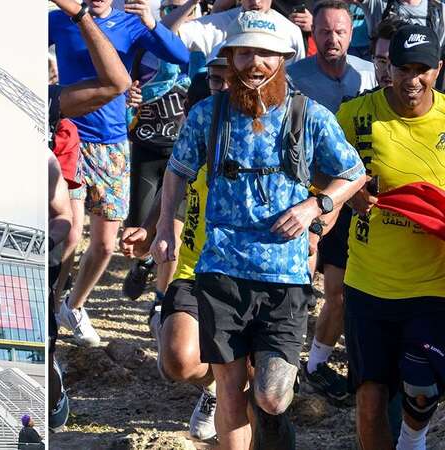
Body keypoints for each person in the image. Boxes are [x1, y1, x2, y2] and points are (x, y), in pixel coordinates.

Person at [151, 12, 366, 449]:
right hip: (221, 271)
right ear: (230, 59)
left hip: (283, 276)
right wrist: (164, 227)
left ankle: (271, 420)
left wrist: (315, 205)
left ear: (283, 58)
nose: (255, 63)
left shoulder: (311, 116)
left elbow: (353, 171)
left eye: (265, 53)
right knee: (230, 389)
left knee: (270, 394)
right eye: (244, 52)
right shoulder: (206, 115)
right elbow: (176, 170)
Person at [50, 0, 188, 347]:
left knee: (105, 244)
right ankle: (51, 312)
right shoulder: (59, 20)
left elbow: (182, 57)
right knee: (69, 231)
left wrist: (152, 23)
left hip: (112, 142)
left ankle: (73, 307)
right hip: (71, 135)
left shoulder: (131, 24)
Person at [336, 24, 445, 450]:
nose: (412, 80)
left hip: (432, 284)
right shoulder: (356, 115)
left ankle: (412, 442)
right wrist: (349, 194)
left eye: (423, 69)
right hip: (368, 283)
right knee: (369, 400)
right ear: (387, 67)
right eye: (403, 68)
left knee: (420, 382)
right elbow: (319, 171)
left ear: (438, 69)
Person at [119, 53, 229, 442]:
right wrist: (150, 229)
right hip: (197, 266)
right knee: (177, 362)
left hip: (254, 269)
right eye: (217, 80)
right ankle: (216, 386)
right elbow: (175, 184)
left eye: (230, 78)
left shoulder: (273, 126)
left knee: (270, 386)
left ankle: (233, 387)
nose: (224, 87)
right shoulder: (198, 124)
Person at [285, 0, 376, 404]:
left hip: (363, 193)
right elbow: (288, 146)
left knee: (349, 292)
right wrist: (327, 191)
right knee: (311, 287)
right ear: (312, 34)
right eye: (324, 31)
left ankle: (323, 364)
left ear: (351, 32)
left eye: (339, 31)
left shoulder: (369, 72)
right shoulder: (294, 78)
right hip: (312, 193)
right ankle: (298, 364)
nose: (332, 38)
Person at [47, 0, 132, 431]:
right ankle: (53, 353)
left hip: (105, 141)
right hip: (73, 150)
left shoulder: (51, 103)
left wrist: (79, 15)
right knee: (72, 231)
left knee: (97, 241)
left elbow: (120, 82)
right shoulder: (48, 25)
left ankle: (69, 307)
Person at [122, 0, 197, 303]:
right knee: (140, 235)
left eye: (180, 6)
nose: (173, 13)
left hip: (182, 150)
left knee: (173, 231)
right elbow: (121, 83)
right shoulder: (141, 45)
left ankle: (162, 300)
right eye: (167, 7)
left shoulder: (197, 42)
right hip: (147, 147)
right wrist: (128, 94)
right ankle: (143, 263)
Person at [175, 0, 307, 66]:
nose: (255, 1)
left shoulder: (290, 31)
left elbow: (296, 82)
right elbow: (162, 35)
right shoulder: (216, 25)